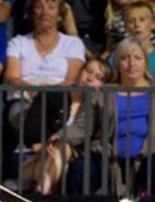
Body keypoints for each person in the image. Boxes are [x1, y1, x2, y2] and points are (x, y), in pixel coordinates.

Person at [53, 35, 155, 197]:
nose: (132, 63)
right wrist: (60, 136)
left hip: (150, 156)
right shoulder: (104, 92)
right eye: (125, 58)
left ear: (145, 62)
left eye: (137, 58)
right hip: (107, 156)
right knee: (80, 168)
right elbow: (83, 125)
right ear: (117, 63)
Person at [4, 0, 86, 146]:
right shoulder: (18, 42)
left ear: (60, 15)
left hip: (60, 102)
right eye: (39, 6)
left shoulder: (73, 44)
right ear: (32, 13)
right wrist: (38, 94)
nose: (44, 12)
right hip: (24, 101)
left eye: (51, 7)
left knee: (54, 110)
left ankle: (34, 148)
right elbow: (12, 77)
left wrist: (46, 96)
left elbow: (72, 80)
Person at [25, 57, 110, 194]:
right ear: (80, 72)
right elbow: (30, 132)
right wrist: (46, 143)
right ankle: (43, 198)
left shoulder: (98, 109)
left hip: (71, 159)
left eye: (98, 77)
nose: (90, 78)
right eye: (88, 71)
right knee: (61, 150)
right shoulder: (52, 95)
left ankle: (41, 195)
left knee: (64, 148)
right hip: (39, 155)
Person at [110, 0, 155, 83]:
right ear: (125, 27)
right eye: (131, 21)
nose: (137, 25)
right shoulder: (115, 57)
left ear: (153, 24)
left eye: (142, 20)